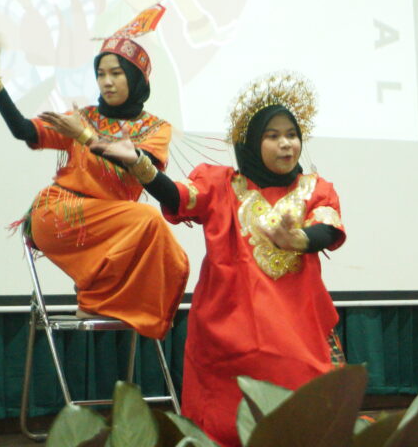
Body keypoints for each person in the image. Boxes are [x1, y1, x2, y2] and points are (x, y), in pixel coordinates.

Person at [90, 71, 346, 446]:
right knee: (224, 425)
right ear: (250, 142)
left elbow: (327, 228)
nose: (285, 144)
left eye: (291, 134)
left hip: (297, 327)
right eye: (272, 136)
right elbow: (177, 196)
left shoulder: (315, 189)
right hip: (229, 328)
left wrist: (299, 238)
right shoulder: (221, 184)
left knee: (301, 423)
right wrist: (139, 164)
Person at [0, 5, 188, 340]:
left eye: (116, 73)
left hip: (112, 223)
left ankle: (112, 303)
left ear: (136, 77)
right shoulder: (84, 117)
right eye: (101, 74)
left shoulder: (156, 128)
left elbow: (139, 167)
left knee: (152, 234)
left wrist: (86, 137)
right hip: (60, 211)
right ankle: (96, 300)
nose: (106, 82)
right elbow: (24, 130)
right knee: (147, 220)